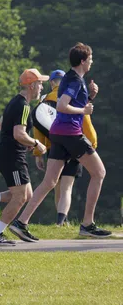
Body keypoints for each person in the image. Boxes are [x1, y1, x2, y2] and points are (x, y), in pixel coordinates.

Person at [10, 44, 111, 240]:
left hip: (58, 133)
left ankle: (21, 222)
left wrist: (90, 97)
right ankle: (87, 224)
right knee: (99, 173)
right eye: (90, 58)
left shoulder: (70, 79)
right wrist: (84, 111)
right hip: (71, 134)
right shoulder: (74, 80)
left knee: (49, 182)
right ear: (82, 61)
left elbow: (69, 103)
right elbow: (63, 106)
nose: (92, 61)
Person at [0, 69, 47, 245]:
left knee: (26, 194)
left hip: (10, 153)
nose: (42, 87)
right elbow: (19, 133)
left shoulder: (16, 102)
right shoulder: (24, 106)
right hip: (12, 157)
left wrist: (24, 142)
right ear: (31, 85)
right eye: (40, 84)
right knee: (20, 197)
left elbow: (1, 125)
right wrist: (35, 143)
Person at [28, 69, 99, 226]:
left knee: (55, 185)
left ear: (52, 82)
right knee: (67, 186)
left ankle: (60, 220)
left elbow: (38, 128)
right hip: (75, 144)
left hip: (55, 146)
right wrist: (92, 143)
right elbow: (85, 121)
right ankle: (62, 220)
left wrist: (38, 153)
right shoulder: (72, 96)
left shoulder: (44, 100)